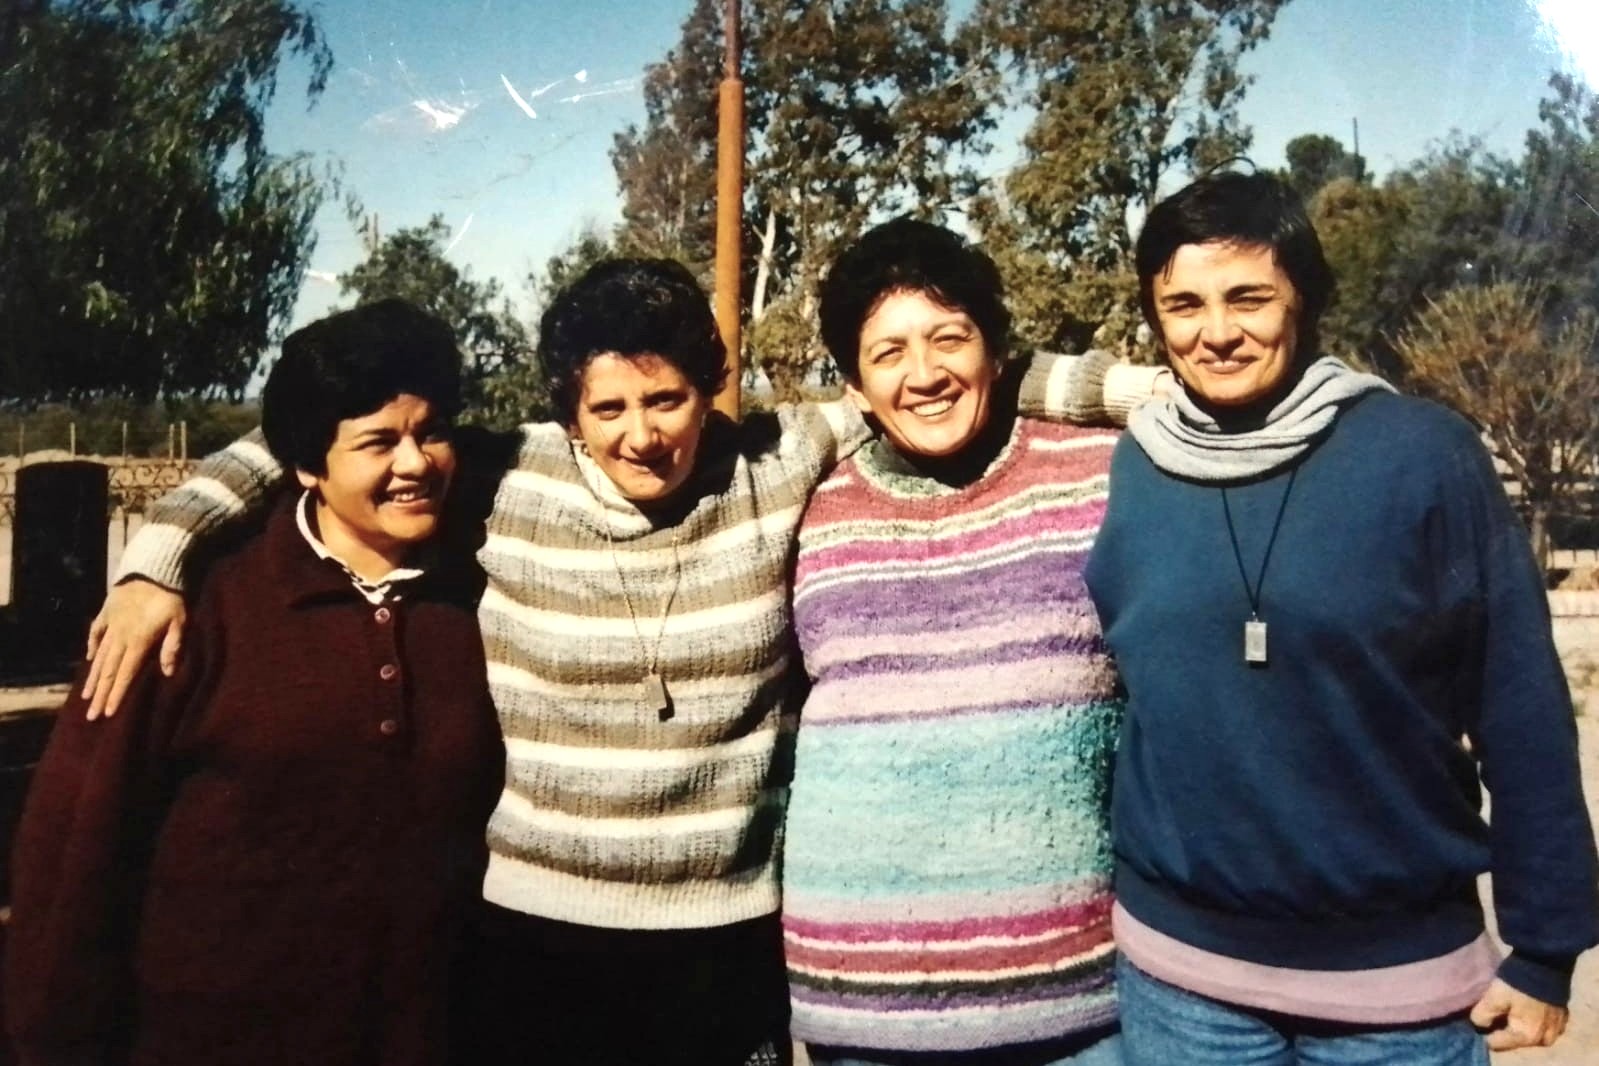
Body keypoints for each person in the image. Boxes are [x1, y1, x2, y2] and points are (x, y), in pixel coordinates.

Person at [79, 258, 1161, 1066]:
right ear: (569, 413)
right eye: (609, 408)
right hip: (537, 948)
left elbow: (948, 375)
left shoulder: (776, 461)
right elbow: (310, 435)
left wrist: (1153, 393)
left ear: (711, 392)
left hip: (723, 945)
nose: (643, 434)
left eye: (668, 398)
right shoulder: (506, 478)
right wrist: (160, 554)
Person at [1082, 171, 1599, 1065]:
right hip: (1178, 985)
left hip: (1397, 992)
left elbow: (1517, 702)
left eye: (1249, 297)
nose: (1216, 332)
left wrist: (1546, 948)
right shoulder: (1136, 463)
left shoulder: (1421, 454)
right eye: (1182, 305)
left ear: (1305, 300)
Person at [5, 299, 505, 1066]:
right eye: (377, 443)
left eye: (430, 433)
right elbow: (74, 858)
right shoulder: (186, 615)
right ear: (304, 465)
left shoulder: (485, 593)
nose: (414, 464)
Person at [781, 219, 1127, 1065]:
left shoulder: (1100, 474)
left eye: (949, 338)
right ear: (855, 388)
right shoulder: (806, 507)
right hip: (859, 1008)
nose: (924, 374)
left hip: (1075, 1000)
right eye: (887, 353)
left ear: (997, 352)